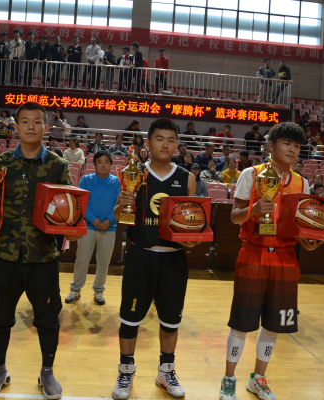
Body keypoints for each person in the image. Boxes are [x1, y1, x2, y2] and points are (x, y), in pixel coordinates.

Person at [0, 102, 82, 398]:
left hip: (43, 257)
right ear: (17, 127)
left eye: (37, 121)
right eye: (25, 121)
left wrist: (72, 224)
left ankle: (47, 372)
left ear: (46, 128)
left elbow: (69, 208)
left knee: (48, 320)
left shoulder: (58, 166)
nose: (31, 126)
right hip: (5, 255)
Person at [220, 122, 320, 400]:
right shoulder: (251, 174)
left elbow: (299, 225)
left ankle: (258, 379)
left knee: (274, 325)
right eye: (287, 143)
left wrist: (308, 241)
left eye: (297, 146)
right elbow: (234, 217)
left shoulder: (302, 182)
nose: (292, 150)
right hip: (253, 253)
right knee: (241, 323)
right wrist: (253, 210)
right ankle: (229, 379)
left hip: (286, 258)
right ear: (271, 146)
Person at [111, 118, 197, 399]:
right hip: (141, 256)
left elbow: (192, 221)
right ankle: (126, 372)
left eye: (171, 140)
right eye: (160, 139)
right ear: (148, 143)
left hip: (173, 258)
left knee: (171, 321)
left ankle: (166, 371)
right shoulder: (133, 173)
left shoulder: (187, 178)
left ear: (177, 145)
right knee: (130, 319)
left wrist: (193, 238)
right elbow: (117, 215)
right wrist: (122, 205)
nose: (165, 144)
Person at [66, 151, 120, 305]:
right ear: (94, 164)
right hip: (88, 227)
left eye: (106, 162)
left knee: (104, 262)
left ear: (110, 164)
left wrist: (108, 221)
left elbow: (119, 204)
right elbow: (81, 202)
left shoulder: (116, 182)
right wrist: (94, 220)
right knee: (82, 259)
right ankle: (75, 289)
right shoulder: (86, 180)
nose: (103, 165)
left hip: (109, 228)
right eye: (99, 162)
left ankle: (99, 291)